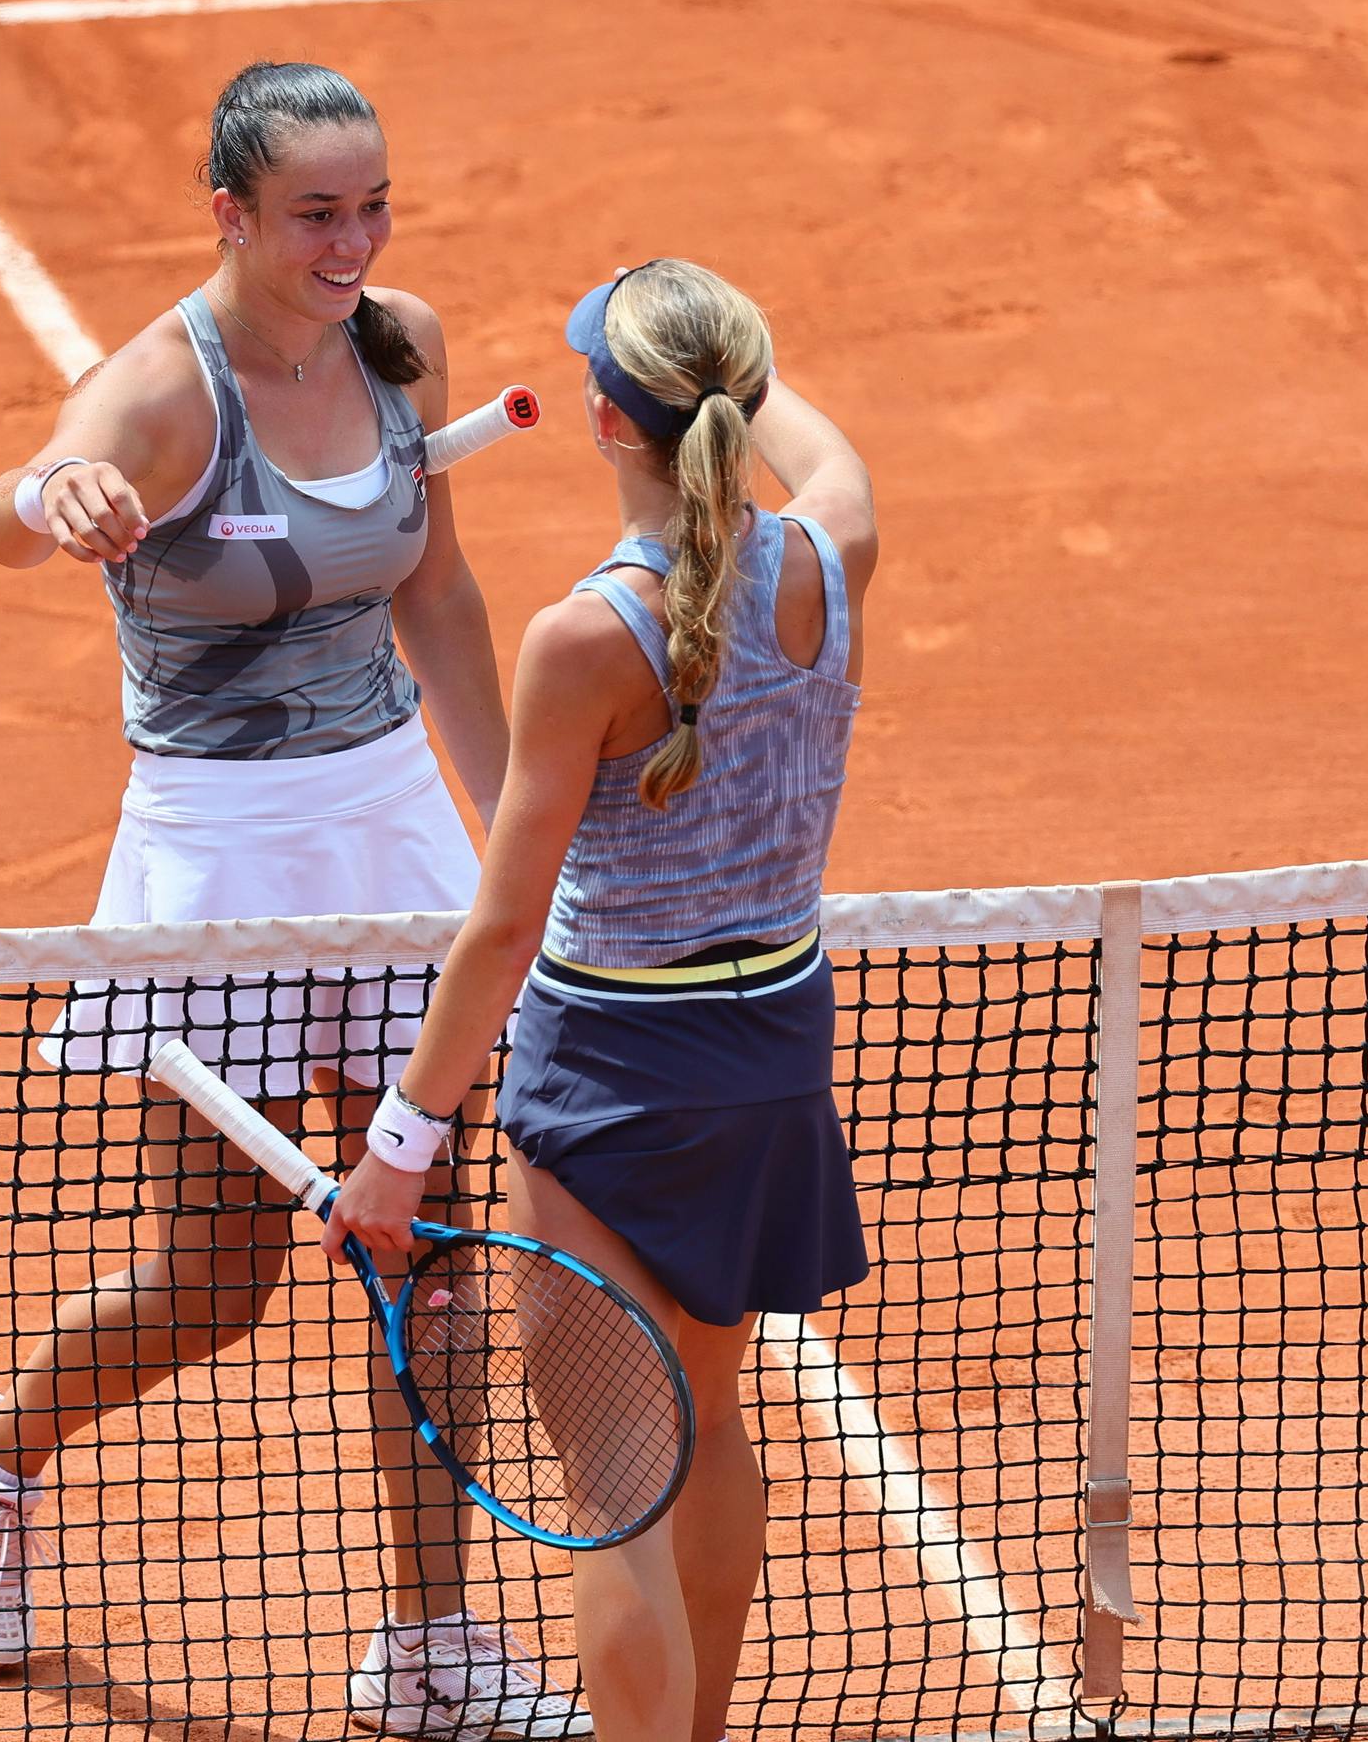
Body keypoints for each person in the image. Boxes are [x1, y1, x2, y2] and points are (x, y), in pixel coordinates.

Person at [0, 61, 585, 1739]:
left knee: (421, 1251)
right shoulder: (159, 391)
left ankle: (432, 1642)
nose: (351, 242)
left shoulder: (395, 342)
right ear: (228, 213)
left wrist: (519, 832)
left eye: (371, 207)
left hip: (386, 840)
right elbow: (7, 518)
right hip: (216, 859)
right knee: (219, 1284)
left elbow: (436, 591)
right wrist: (47, 496)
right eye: (313, 215)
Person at [325, 260, 877, 1742]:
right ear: (734, 405)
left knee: (620, 1486)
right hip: (773, 1062)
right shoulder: (835, 555)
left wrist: (400, 1143)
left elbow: (506, 925)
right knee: (709, 1434)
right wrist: (739, 376)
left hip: (614, 1080)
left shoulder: (586, 640)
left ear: (599, 420)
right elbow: (829, 462)